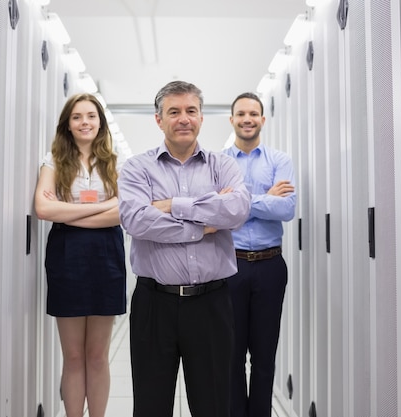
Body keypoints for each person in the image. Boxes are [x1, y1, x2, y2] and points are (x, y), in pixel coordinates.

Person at [117, 80, 251, 417]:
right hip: (154, 304)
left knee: (214, 405)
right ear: (158, 119)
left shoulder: (222, 166)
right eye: (173, 111)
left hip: (211, 304)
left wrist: (170, 205)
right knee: (151, 404)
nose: (183, 118)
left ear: (202, 118)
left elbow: (236, 210)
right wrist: (203, 224)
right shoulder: (136, 168)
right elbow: (136, 220)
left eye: (191, 111)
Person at [34, 93, 126, 417]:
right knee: (73, 355)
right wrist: (105, 205)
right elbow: (43, 209)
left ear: (100, 122)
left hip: (107, 255)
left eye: (90, 116)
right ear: (68, 124)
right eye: (77, 117)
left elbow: (123, 213)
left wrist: (69, 210)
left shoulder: (115, 162)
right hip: (66, 254)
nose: (84, 122)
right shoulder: (54, 160)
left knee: (97, 355)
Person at [223, 92, 297, 417]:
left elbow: (287, 208)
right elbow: (218, 211)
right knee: (232, 356)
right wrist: (264, 198)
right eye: (241, 114)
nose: (247, 119)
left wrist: (242, 201)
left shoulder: (280, 161)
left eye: (253, 114)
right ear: (232, 120)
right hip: (230, 266)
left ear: (262, 120)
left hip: (270, 267)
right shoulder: (220, 162)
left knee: (264, 357)